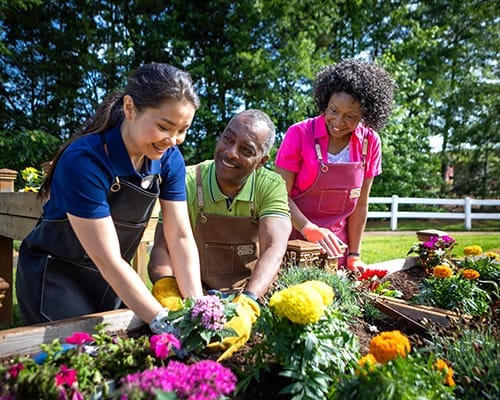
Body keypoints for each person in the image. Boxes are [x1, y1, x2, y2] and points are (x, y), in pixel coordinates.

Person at [16, 62, 204, 332]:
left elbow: (180, 237)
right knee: (73, 363)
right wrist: (163, 322)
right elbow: (108, 260)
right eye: (164, 126)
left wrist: (198, 309)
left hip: (112, 279)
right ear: (130, 108)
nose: (172, 140)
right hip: (55, 276)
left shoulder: (169, 160)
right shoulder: (84, 161)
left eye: (182, 130)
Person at [148, 109, 291, 359]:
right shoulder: (189, 181)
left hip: (245, 292)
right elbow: (162, 249)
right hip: (193, 295)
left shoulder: (269, 185)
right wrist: (168, 291)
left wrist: (249, 303)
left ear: (262, 161)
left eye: (246, 150)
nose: (231, 152)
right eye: (228, 139)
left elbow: (274, 247)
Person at [275, 58, 395, 272]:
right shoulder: (299, 133)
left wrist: (354, 255)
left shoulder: (370, 142)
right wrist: (308, 228)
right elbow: (279, 196)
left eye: (350, 116)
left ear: (365, 115)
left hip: (336, 248)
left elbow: (360, 205)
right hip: (292, 240)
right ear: (325, 101)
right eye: (333, 110)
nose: (338, 122)